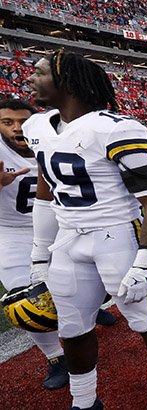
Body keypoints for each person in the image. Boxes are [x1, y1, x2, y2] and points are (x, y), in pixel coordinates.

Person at [23, 50, 147, 410]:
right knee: (72, 328)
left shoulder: (115, 128)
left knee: (143, 318)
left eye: (40, 72)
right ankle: (84, 401)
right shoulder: (36, 126)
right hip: (67, 237)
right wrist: (39, 254)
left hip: (116, 235)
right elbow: (45, 195)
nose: (31, 78)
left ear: (66, 81)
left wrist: (143, 262)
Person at [0, 98, 67, 389]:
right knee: (25, 300)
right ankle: (55, 357)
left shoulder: (52, 139)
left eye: (22, 122)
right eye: (7, 122)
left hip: (57, 228)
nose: (17, 129)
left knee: (79, 287)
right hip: (10, 233)